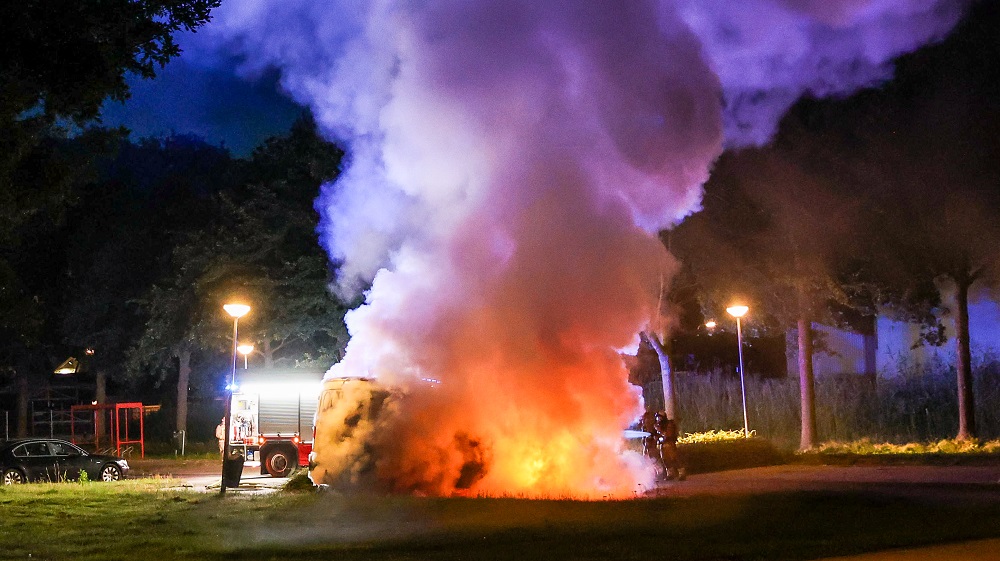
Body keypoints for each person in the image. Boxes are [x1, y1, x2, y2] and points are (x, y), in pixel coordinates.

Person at [654, 411, 686, 481]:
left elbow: (668, 434)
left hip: (670, 444)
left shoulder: (669, 424)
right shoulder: (658, 425)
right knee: (665, 460)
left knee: (674, 459)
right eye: (657, 417)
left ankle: (681, 473)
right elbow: (657, 436)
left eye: (660, 417)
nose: (658, 419)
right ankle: (670, 474)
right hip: (662, 445)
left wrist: (660, 431)